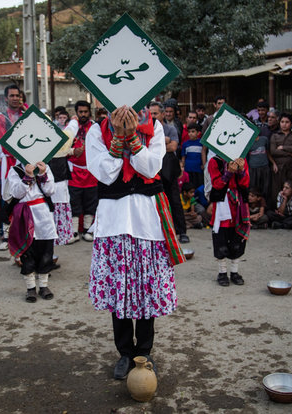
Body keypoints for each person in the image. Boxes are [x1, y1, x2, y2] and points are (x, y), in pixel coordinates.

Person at [85, 105, 183, 379]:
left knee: (145, 286)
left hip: (146, 218)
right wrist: (118, 138)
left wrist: (133, 139)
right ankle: (125, 352)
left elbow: (152, 167)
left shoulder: (155, 127)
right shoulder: (96, 130)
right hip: (113, 220)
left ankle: (145, 349)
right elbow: (105, 173)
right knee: (120, 289)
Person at [7, 161, 57, 302]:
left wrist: (42, 174)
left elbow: (51, 190)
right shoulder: (15, 170)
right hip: (25, 214)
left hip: (43, 214)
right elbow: (16, 193)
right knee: (27, 253)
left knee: (46, 251)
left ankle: (44, 286)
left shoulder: (45, 167)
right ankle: (30, 288)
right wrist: (27, 177)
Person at [150, 101, 189, 243]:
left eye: (155, 113)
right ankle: (159, 233)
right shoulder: (146, 129)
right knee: (155, 202)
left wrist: (156, 143)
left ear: (162, 114)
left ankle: (181, 231)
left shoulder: (170, 129)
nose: (152, 116)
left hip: (169, 169)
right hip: (152, 170)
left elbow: (173, 147)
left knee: (174, 200)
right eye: (151, 113)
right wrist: (162, 142)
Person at [208, 154, 250, 287]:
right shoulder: (215, 162)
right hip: (222, 206)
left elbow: (245, 183)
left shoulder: (242, 160)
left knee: (237, 239)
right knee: (220, 239)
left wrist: (241, 170)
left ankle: (234, 272)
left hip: (238, 204)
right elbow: (217, 184)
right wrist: (228, 173)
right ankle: (222, 272)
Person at [0, 85, 27, 250]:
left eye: (18, 95)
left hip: (26, 161)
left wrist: (26, 109)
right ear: (6, 98)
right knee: (8, 197)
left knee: (25, 196)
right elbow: (4, 143)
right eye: (12, 95)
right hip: (10, 161)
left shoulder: (25, 114)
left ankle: (24, 232)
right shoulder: (2, 118)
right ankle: (6, 235)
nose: (15, 98)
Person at [66, 100, 98, 243]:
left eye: (85, 112)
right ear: (76, 113)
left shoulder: (95, 127)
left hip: (91, 171)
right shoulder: (71, 128)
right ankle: (73, 232)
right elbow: (60, 149)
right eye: (80, 112)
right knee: (74, 202)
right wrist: (73, 151)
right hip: (74, 171)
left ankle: (87, 230)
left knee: (90, 202)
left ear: (89, 112)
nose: (83, 114)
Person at [50, 119, 77, 246]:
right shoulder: (62, 139)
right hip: (52, 182)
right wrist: (73, 120)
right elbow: (71, 131)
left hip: (56, 181)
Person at [270, 113, 292, 206]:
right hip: (278, 168)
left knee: (291, 189)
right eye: (282, 122)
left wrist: (283, 147)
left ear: (291, 123)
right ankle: (277, 210)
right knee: (277, 189)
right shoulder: (275, 136)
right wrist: (289, 154)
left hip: (291, 168)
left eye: (287, 122)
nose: (284, 124)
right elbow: (273, 151)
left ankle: (290, 210)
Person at [247, 134, 273, 207]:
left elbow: (268, 152)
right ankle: (253, 208)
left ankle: (264, 207)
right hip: (253, 168)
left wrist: (273, 163)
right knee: (253, 188)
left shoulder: (264, 139)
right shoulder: (247, 141)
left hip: (264, 167)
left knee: (265, 188)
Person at [181, 123, 204, 189]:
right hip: (188, 169)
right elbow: (183, 157)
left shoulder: (201, 143)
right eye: (189, 132)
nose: (190, 133)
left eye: (193, 131)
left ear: (198, 133)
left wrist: (203, 164)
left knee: (198, 185)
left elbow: (203, 155)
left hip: (198, 169)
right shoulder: (185, 144)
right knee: (189, 186)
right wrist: (183, 166)